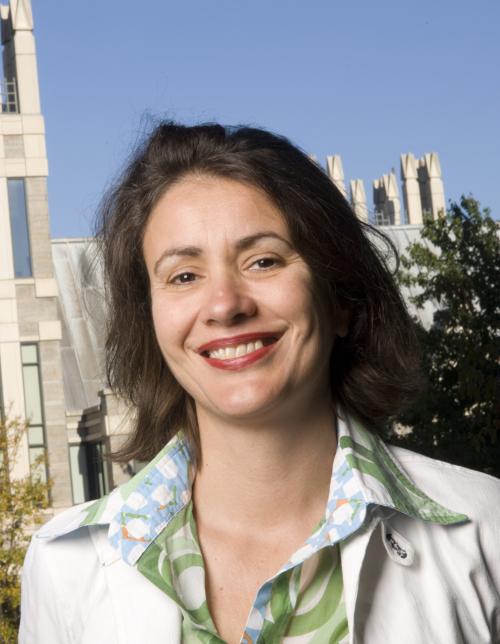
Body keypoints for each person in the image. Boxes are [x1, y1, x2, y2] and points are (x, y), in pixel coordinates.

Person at [20, 123, 500, 644]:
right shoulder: (63, 566)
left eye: (263, 261)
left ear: (339, 298)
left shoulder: (486, 531)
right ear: (151, 319)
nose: (225, 305)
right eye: (184, 276)